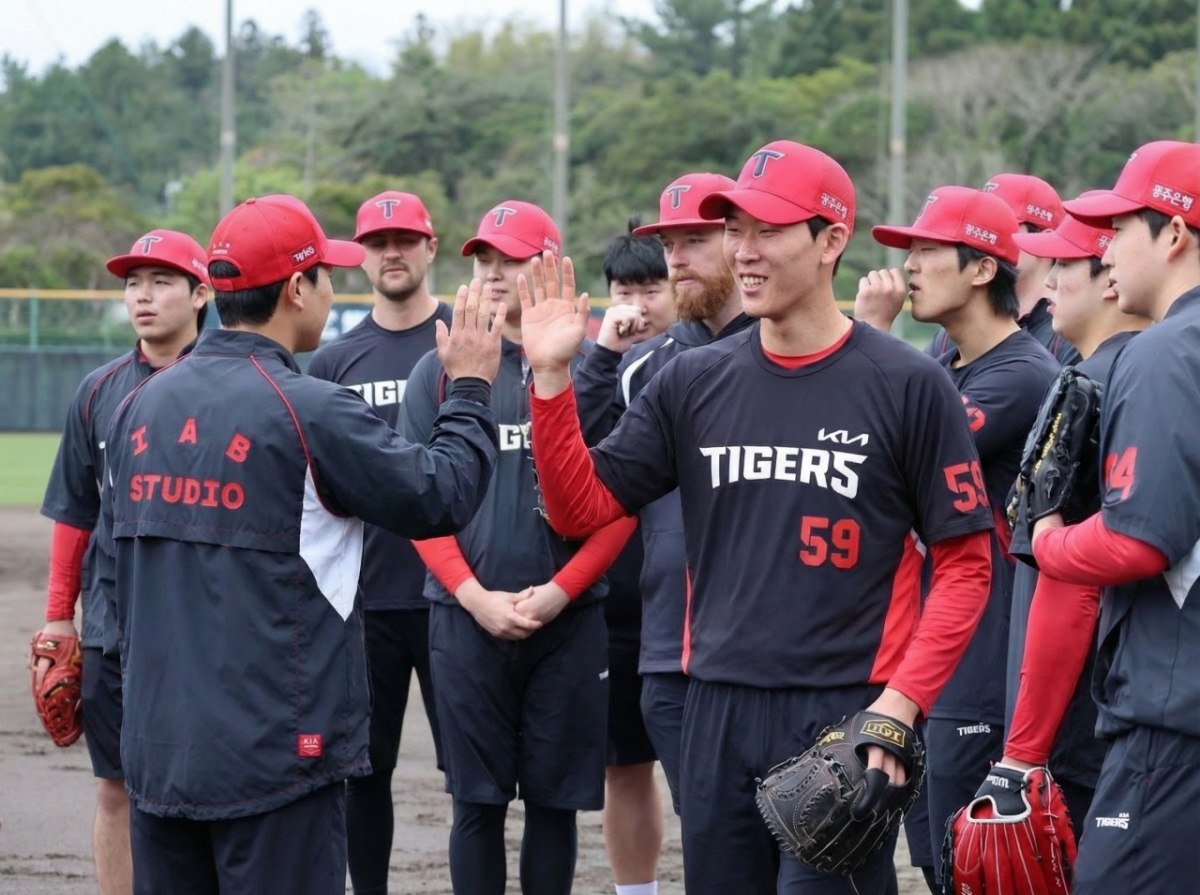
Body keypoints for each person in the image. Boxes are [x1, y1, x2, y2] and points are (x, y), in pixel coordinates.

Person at [516, 140, 995, 895]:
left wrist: (900, 707)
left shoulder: (906, 383)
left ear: (832, 239)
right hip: (714, 705)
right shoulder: (692, 380)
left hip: (844, 709)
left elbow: (968, 563)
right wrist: (550, 380)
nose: (744, 251)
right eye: (734, 229)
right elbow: (580, 508)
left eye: (768, 230)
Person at [100, 194, 506, 895]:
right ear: (296, 288)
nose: (332, 288)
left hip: (158, 751)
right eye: (325, 274)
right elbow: (443, 494)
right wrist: (468, 387)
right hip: (275, 759)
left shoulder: (139, 403)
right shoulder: (306, 405)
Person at [403, 200, 637, 895]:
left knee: (554, 804)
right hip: (464, 616)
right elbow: (420, 500)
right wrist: (472, 595)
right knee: (475, 802)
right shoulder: (441, 369)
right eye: (483, 259)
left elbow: (622, 504)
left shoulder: (589, 369)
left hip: (568, 620)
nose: (494, 271)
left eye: (512, 258)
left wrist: (562, 589)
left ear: (548, 266)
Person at [868, 186, 1060, 888]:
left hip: (983, 657)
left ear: (982, 269)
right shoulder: (948, 362)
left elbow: (883, 460)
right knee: (932, 860)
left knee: (971, 868)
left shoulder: (1019, 373)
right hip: (935, 649)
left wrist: (871, 337)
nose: (909, 265)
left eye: (925, 249)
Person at [1029, 140, 1200, 894]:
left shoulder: (1166, 349)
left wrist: (1051, 540)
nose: (1105, 248)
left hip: (1174, 721)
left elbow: (1137, 539)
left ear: (1174, 234)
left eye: (1122, 225)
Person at [574, 172, 750, 895]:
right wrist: (584, 364)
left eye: (696, 240)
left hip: (775, 645)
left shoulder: (790, 350)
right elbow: (586, 482)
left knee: (788, 834)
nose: (677, 259)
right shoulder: (645, 363)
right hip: (667, 639)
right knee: (710, 834)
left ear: (742, 240)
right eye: (668, 243)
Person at [34, 229, 210, 895]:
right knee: (115, 790)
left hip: (203, 627)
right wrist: (58, 619)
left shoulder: (226, 384)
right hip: (112, 625)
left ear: (200, 293)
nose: (143, 294)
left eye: (162, 280)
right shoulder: (97, 390)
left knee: (202, 786)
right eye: (134, 282)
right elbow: (76, 511)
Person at [306, 190, 451, 895]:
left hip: (458, 596)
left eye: (404, 239)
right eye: (377, 241)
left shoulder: (465, 340)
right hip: (364, 602)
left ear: (431, 246)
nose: (391, 252)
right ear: (360, 256)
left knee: (475, 782)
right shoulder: (334, 362)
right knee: (366, 773)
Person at [997, 202, 1150, 838]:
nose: (1049, 279)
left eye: (1064, 264)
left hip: (1083, 714)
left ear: (1109, 276)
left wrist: (1023, 750)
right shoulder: (1146, 371)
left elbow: (1072, 584)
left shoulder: (1091, 383)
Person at [856, 173, 1081, 366]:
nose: (992, 227)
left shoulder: (1067, 331)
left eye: (1006, 222)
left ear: (1043, 241)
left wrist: (872, 337)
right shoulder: (951, 338)